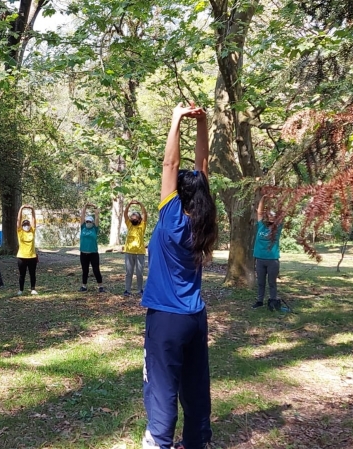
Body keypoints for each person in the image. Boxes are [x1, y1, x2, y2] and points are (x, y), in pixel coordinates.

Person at [141, 102, 217, 449]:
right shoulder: (203, 222)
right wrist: (203, 125)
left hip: (167, 320)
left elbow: (171, 163)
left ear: (178, 196)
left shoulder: (171, 219)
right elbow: (203, 169)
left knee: (162, 386)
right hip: (195, 318)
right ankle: (197, 442)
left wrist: (175, 119)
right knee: (195, 385)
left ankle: (158, 441)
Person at [252, 195, 283, 311]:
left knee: (272, 282)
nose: (271, 217)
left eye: (273, 216)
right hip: (260, 259)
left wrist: (278, 199)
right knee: (260, 282)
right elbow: (259, 212)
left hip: (272, 260)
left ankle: (273, 301)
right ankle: (259, 301)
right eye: (270, 215)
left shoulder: (277, 228)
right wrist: (264, 197)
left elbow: (281, 212)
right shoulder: (261, 226)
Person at [123, 200, 148, 296]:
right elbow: (125, 214)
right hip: (129, 252)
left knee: (139, 273)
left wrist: (141, 204)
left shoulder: (142, 225)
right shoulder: (129, 225)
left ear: (139, 218)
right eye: (132, 216)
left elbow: (145, 214)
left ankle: (140, 290)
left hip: (140, 253)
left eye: (135, 216)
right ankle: (127, 290)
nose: (133, 218)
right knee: (129, 272)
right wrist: (129, 204)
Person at [78, 203, 104, 293]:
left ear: (92, 222)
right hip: (83, 253)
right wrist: (85, 206)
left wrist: (95, 207)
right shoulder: (83, 227)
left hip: (93, 253)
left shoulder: (95, 229)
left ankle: (100, 286)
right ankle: (84, 286)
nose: (88, 223)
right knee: (85, 270)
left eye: (90, 221)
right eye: (87, 221)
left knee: (96, 270)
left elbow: (97, 217)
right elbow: (82, 216)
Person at [16, 205, 39, 296]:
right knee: (22, 274)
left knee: (32, 274)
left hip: (32, 256)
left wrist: (32, 209)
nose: (26, 226)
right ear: (22, 226)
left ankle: (33, 289)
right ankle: (21, 290)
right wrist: (21, 208)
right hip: (21, 257)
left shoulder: (32, 230)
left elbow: (34, 220)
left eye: (27, 224)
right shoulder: (20, 231)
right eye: (24, 225)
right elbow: (18, 220)